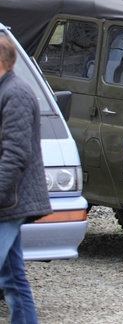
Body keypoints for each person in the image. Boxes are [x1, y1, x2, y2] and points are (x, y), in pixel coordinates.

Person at [0, 36, 53, 323]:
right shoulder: (5, 90)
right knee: (12, 275)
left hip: (9, 202)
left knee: (11, 276)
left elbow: (16, 155)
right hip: (7, 201)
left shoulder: (16, 93)